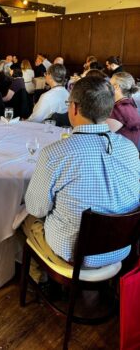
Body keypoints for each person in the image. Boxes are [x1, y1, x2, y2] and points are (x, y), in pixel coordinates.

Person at [23, 77, 139, 271]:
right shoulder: (130, 148)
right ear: (108, 110)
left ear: (74, 108)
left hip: (75, 254)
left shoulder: (55, 153)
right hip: (121, 248)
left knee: (25, 219)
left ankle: (41, 277)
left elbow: (36, 209)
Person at [107, 72, 140, 148]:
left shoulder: (120, 109)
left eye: (109, 84)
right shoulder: (129, 103)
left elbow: (101, 133)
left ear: (116, 87)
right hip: (131, 150)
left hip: (121, 153)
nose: (106, 87)